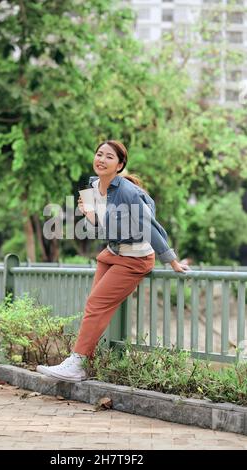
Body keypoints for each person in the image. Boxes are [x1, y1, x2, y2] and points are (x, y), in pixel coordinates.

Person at [37, 140, 190, 382]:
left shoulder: (128, 192)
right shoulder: (92, 185)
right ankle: (82, 361)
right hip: (112, 253)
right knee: (95, 306)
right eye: (99, 154)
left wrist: (171, 261)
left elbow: (149, 226)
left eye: (109, 157)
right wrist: (89, 215)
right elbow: (97, 228)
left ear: (119, 165)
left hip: (135, 258)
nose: (102, 159)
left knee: (96, 305)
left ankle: (76, 363)